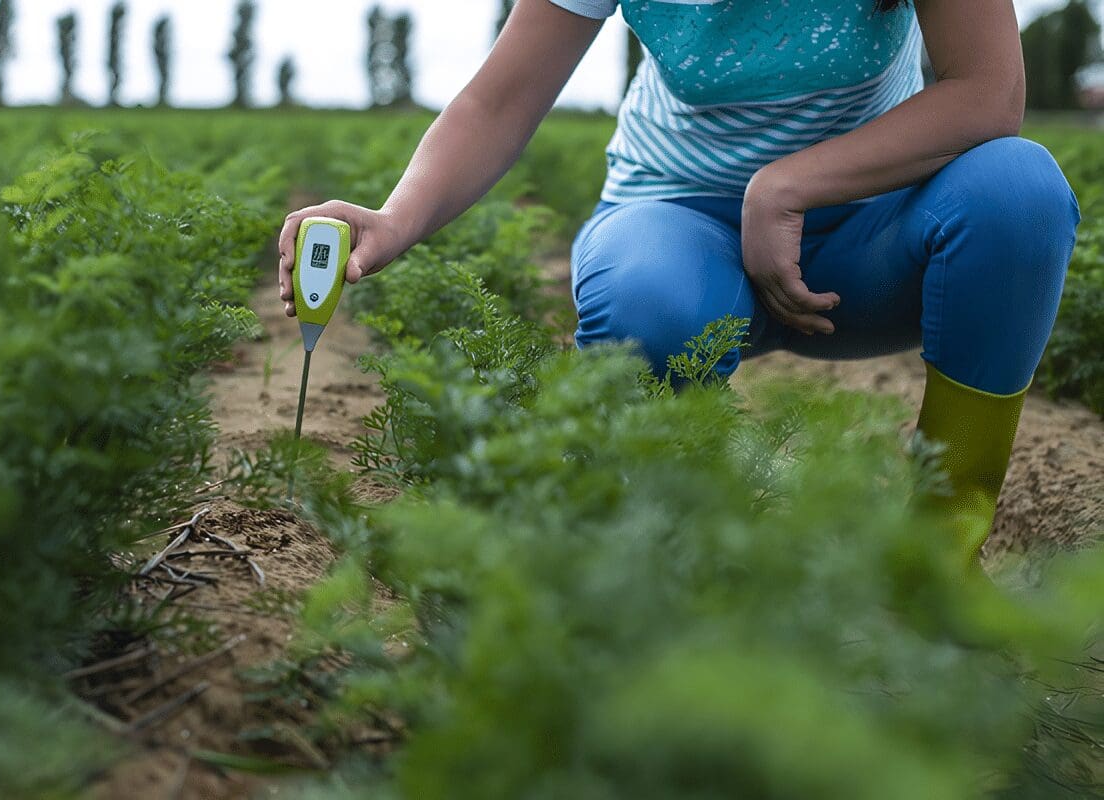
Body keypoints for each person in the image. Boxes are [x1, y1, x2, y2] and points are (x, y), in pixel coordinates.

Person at [276, 0, 1080, 565]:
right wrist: (396, 217)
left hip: (872, 238)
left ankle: (939, 553)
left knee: (1018, 194)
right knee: (649, 303)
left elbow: (988, 91)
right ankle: (667, 559)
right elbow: (500, 98)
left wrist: (787, 186)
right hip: (679, 221)